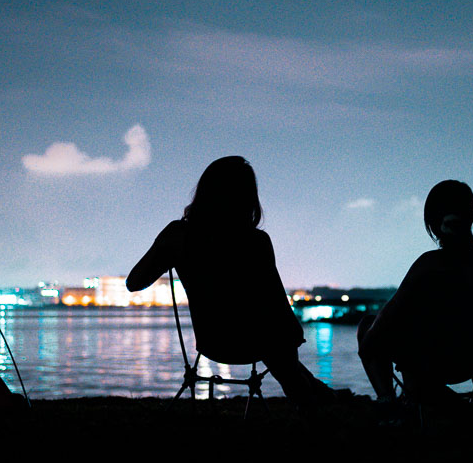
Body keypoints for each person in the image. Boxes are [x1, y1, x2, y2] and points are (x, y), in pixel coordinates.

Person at [127, 156, 337, 405]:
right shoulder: (257, 242)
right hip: (260, 340)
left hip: (213, 341)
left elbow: (135, 282)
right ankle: (320, 406)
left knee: (277, 348)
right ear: (248, 197)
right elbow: (276, 304)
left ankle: (320, 394)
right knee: (281, 351)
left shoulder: (177, 235)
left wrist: (168, 257)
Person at [357, 180, 473, 403]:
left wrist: (369, 343)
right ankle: (428, 397)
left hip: (434, 360)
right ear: (471, 218)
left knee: (369, 327)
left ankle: (388, 401)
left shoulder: (429, 264)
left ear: (434, 223)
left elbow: (387, 318)